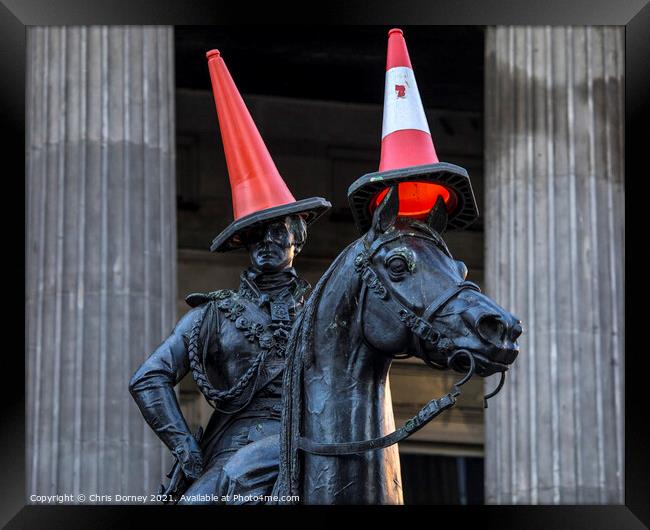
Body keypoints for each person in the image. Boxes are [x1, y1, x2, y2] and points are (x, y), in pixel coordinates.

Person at [129, 48, 330, 504]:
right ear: (243, 244)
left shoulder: (323, 310)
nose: (266, 242)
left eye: (276, 230)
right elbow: (149, 377)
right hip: (234, 455)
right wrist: (184, 445)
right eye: (254, 234)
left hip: (317, 448)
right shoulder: (216, 313)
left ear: (298, 233)